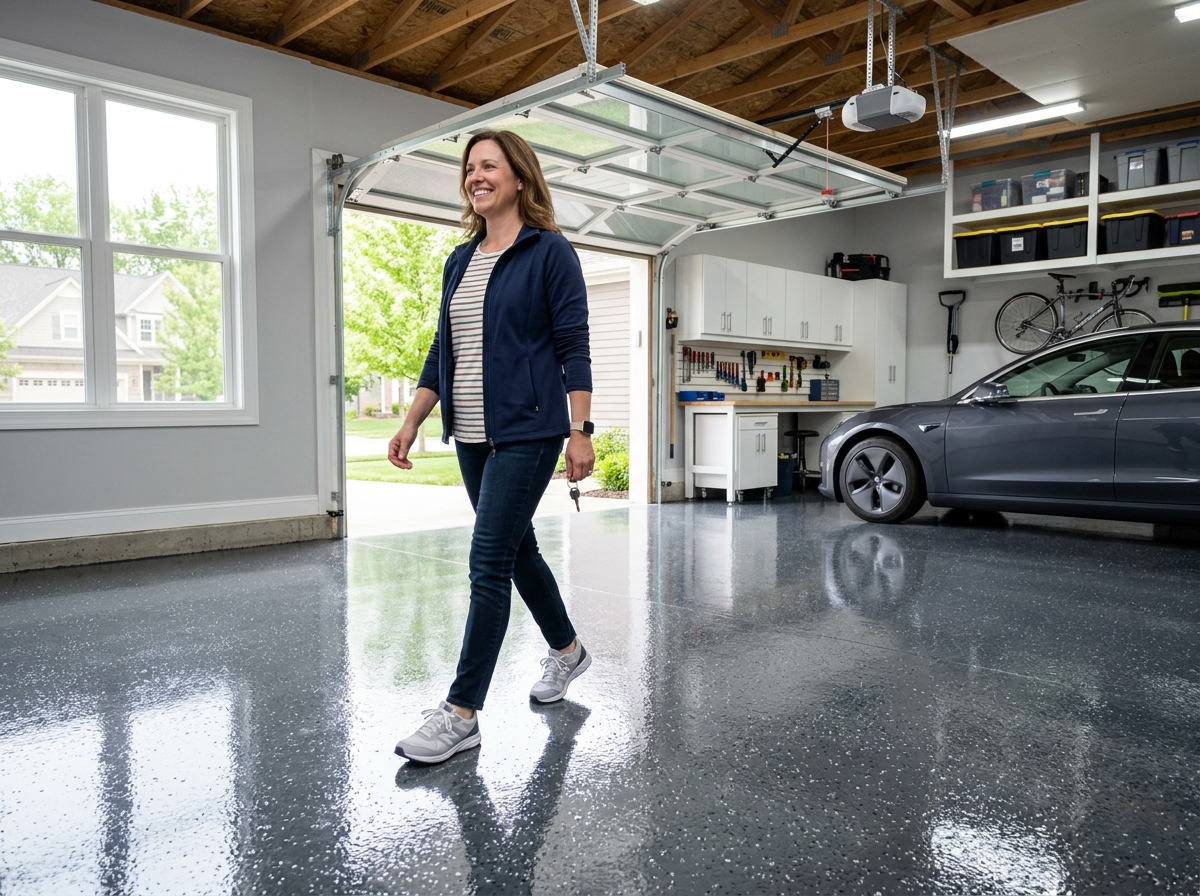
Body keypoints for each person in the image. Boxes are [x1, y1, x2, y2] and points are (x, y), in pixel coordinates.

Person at [389, 130, 595, 765]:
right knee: (517, 548)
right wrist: (412, 419)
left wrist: (579, 430)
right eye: (469, 168)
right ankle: (568, 652)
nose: (476, 176)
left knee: (488, 563)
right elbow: (439, 351)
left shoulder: (549, 252)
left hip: (529, 432)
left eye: (489, 166)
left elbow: (573, 345)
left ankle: (461, 713)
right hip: (472, 436)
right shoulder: (460, 259)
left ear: (519, 178)